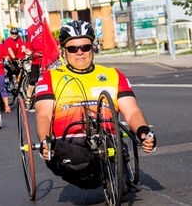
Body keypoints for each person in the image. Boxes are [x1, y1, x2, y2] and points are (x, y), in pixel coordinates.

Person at [35, 20, 157, 192]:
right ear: (64, 51)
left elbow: (132, 111)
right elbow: (43, 115)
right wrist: (44, 140)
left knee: (122, 188)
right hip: (69, 145)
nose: (79, 52)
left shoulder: (113, 75)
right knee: (78, 159)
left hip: (106, 142)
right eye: (72, 48)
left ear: (93, 47)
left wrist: (143, 131)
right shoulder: (50, 77)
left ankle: (111, 174)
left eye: (85, 47)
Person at [24, 32, 44, 110]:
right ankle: (28, 99)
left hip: (45, 61)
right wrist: (29, 52)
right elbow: (27, 48)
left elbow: (56, 45)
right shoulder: (32, 37)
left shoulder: (47, 35)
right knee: (33, 79)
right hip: (36, 61)